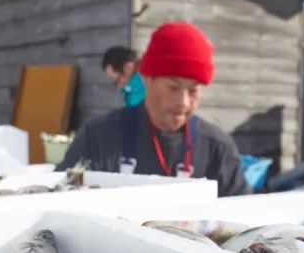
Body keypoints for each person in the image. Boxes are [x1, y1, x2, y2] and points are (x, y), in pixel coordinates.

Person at [57, 22, 247, 197]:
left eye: (193, 91)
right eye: (173, 88)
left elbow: (245, 218)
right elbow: (59, 198)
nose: (184, 102)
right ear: (147, 78)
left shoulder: (217, 148)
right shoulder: (98, 138)